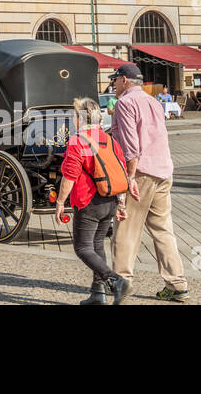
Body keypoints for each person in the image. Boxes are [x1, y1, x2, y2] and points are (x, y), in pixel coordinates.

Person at [109, 63, 189, 303]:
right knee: (163, 230)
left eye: (115, 80)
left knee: (125, 230)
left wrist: (129, 177)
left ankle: (121, 281)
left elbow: (131, 147)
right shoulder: (154, 101)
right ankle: (177, 284)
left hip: (141, 173)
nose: (113, 85)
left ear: (124, 80)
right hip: (163, 171)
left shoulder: (125, 102)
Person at [55, 97, 131, 306]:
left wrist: (61, 202)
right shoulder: (109, 140)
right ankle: (98, 294)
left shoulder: (78, 141)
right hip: (110, 200)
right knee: (97, 245)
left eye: (73, 116)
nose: (72, 120)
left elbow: (70, 176)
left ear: (81, 118)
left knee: (82, 248)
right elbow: (120, 170)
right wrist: (121, 204)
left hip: (88, 201)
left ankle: (117, 281)